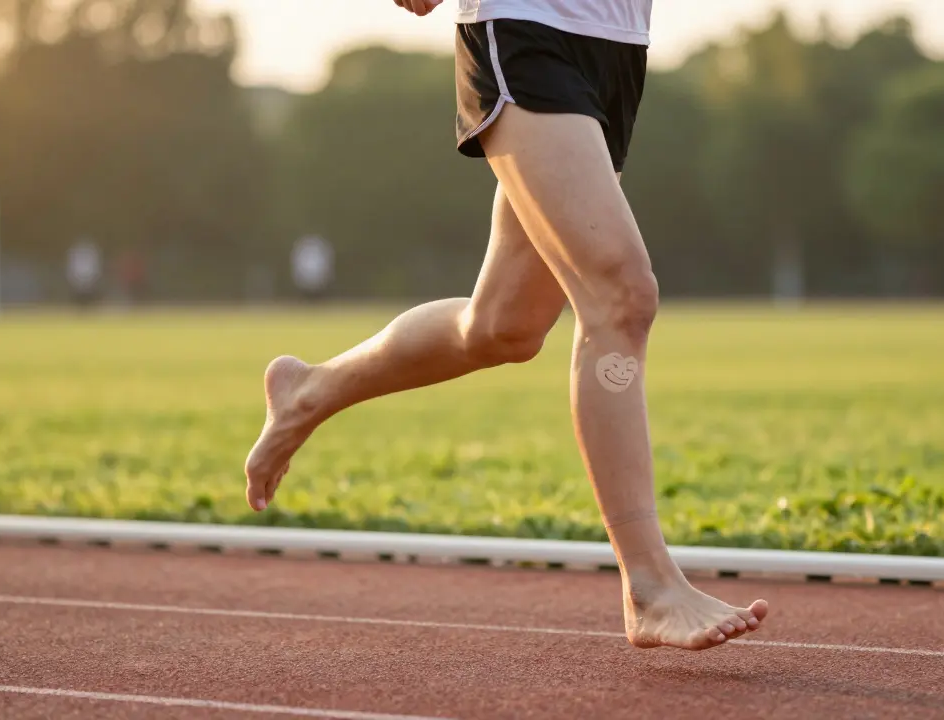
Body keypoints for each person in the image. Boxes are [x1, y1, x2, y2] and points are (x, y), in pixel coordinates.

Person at [244, 0, 769, 651]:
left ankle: (310, 390)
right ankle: (650, 585)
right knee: (621, 297)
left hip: (615, 41)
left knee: (501, 327)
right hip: (526, 27)